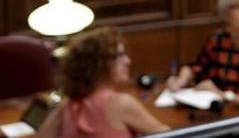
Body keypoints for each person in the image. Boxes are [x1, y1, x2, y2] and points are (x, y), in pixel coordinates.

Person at [33, 27, 168, 138]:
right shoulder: (120, 103)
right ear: (98, 64)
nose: (127, 61)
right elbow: (168, 136)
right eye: (119, 56)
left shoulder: (67, 105)